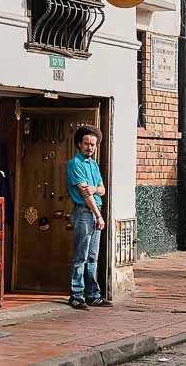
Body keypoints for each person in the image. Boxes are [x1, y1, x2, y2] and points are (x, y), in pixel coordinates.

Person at [65, 125, 111, 310]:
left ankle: (93, 295)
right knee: (80, 257)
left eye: (93, 144)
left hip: (94, 212)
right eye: (86, 144)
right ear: (79, 144)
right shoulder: (75, 164)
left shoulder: (93, 164)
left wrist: (94, 189)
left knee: (93, 257)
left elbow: (102, 189)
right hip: (85, 213)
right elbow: (86, 195)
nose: (90, 147)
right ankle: (76, 295)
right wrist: (99, 215)